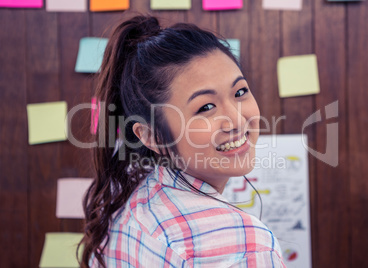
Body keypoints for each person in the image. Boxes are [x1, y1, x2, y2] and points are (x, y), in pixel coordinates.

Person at [79, 15, 286, 268]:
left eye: (240, 92)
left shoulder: (129, 207)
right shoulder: (244, 245)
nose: (237, 120)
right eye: (206, 107)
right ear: (151, 136)